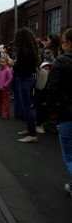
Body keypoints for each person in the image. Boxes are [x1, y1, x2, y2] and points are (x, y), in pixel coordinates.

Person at [47, 28, 72, 197]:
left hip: (67, 114)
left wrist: (52, 111)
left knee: (69, 154)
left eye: (63, 41)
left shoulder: (61, 61)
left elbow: (52, 90)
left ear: (69, 44)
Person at [13, 27, 41, 143]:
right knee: (28, 106)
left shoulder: (24, 53)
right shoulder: (31, 51)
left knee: (27, 107)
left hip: (24, 80)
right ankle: (30, 129)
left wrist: (12, 64)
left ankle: (33, 134)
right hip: (29, 79)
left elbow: (21, 69)